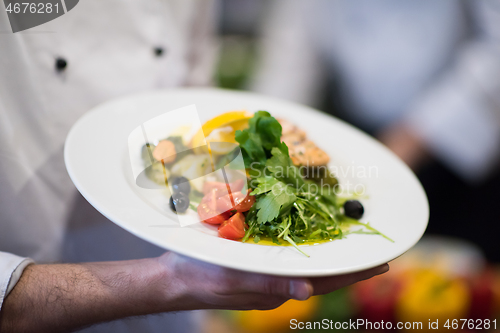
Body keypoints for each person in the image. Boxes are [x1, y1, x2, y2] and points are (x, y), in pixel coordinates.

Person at [0, 1, 388, 332]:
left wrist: (210, 248)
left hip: (178, 306)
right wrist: (169, 282)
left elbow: (191, 92)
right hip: (40, 277)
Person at [251, 0, 500, 261]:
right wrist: (270, 139)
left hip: (455, 146)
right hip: (360, 136)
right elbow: (290, 56)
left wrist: (412, 137)